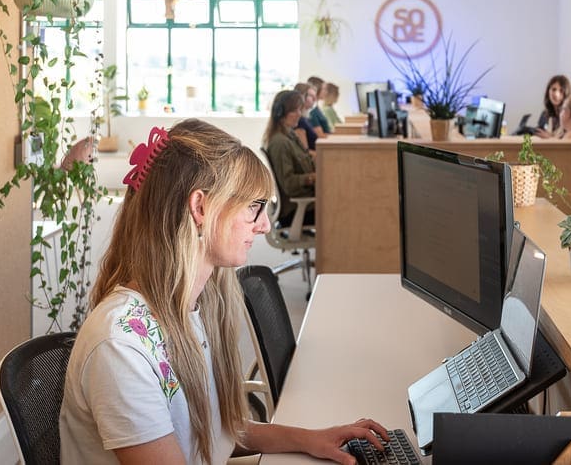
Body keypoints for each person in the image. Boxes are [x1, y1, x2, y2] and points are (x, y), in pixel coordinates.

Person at [60, 119, 387, 464]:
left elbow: (213, 432)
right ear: (200, 208)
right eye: (253, 206)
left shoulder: (191, 306)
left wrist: (310, 439)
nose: (264, 225)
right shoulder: (121, 345)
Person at [264, 90, 317, 227]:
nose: (299, 114)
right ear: (280, 113)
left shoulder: (290, 135)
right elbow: (289, 184)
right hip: (296, 209)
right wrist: (311, 178)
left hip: (306, 201)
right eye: (294, 110)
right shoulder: (280, 143)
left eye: (300, 109)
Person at [293, 82, 326, 150]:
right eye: (311, 96)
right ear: (301, 97)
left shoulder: (305, 118)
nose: (314, 99)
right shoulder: (299, 121)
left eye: (314, 96)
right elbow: (305, 152)